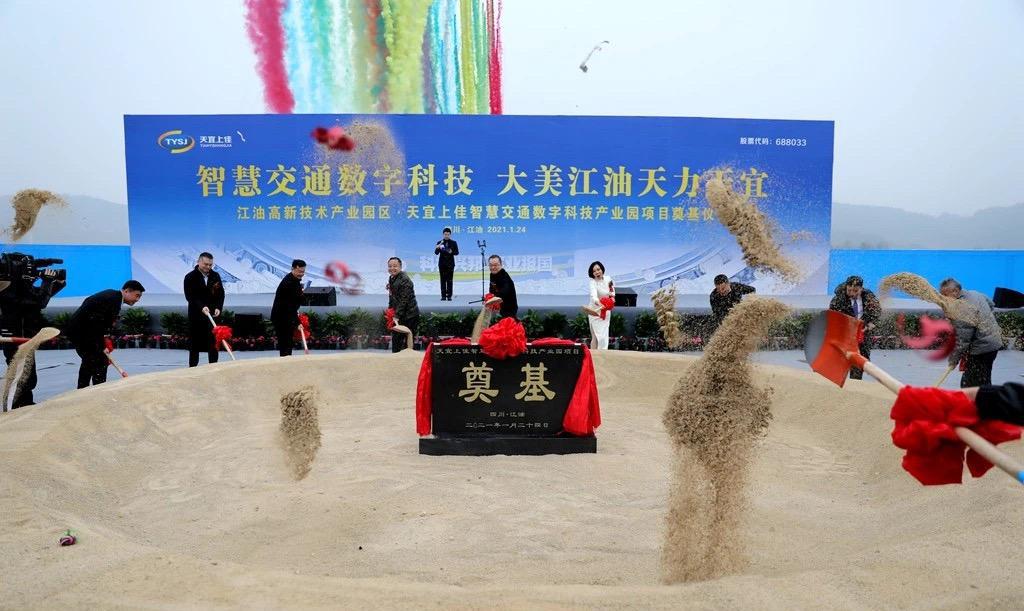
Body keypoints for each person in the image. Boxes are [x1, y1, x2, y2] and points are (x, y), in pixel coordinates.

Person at [0, 256, 66, 407]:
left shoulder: (22, 290)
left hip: (25, 338)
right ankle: (12, 407)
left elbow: (42, 295)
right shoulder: (9, 290)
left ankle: (25, 403)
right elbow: (40, 301)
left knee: (28, 375)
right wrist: (47, 280)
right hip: (15, 338)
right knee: (19, 375)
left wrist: (59, 282)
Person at [65, 280, 145, 389]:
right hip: (82, 332)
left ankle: (83, 389)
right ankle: (99, 390)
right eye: (137, 295)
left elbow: (97, 318)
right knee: (100, 361)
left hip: (81, 331)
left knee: (90, 360)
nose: (137, 299)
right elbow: (97, 324)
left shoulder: (112, 296)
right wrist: (102, 345)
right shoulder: (113, 300)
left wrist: (102, 343)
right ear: (127, 291)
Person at [940, 277, 1001, 387]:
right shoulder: (975, 293)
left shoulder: (962, 309)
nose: (944, 299)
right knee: (984, 380)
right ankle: (987, 396)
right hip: (994, 342)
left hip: (982, 348)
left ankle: (979, 397)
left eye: (945, 295)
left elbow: (962, 341)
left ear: (955, 291)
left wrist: (953, 361)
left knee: (969, 385)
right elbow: (991, 304)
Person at [829, 275, 881, 380]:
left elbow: (876, 314)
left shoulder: (869, 298)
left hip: (862, 336)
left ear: (861, 289)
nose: (852, 293)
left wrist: (868, 326)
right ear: (846, 287)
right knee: (840, 362)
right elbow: (832, 318)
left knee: (858, 363)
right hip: (844, 336)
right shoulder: (838, 299)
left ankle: (855, 384)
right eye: (849, 290)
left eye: (856, 291)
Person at [183, 252, 225, 367]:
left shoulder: (215, 276)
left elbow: (220, 294)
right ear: (198, 262)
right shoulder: (190, 277)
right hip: (196, 316)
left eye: (210, 265)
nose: (208, 267)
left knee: (213, 344)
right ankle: (192, 368)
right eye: (205, 264)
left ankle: (213, 367)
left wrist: (218, 307)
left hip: (212, 315)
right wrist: (201, 307)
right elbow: (190, 296)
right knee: (195, 345)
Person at [271, 259, 305, 357]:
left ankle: (287, 360)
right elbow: (289, 306)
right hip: (281, 316)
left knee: (288, 343)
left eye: (303, 272)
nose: (301, 274)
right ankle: (285, 361)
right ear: (293, 269)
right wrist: (297, 322)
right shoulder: (288, 283)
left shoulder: (294, 280)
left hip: (287, 315)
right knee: (285, 344)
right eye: (299, 271)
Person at [387, 257, 419, 353]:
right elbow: (392, 296)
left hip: (409, 315)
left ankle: (408, 360)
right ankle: (395, 359)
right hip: (399, 313)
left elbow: (404, 300)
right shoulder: (392, 278)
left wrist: (397, 315)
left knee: (408, 342)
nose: (392, 268)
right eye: (390, 266)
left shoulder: (405, 280)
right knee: (396, 340)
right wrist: (390, 311)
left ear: (400, 267)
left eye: (395, 266)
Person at [585, 261, 615, 350]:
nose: (597, 272)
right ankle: (593, 356)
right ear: (592, 273)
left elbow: (612, 291)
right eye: (594, 271)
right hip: (595, 311)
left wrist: (612, 300)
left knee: (603, 337)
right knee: (595, 336)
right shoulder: (592, 282)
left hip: (605, 312)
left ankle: (603, 354)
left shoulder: (608, 279)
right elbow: (594, 296)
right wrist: (600, 304)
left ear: (602, 270)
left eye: (598, 269)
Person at [488, 255, 518, 319]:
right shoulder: (492, 275)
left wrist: (492, 300)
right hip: (501, 308)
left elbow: (504, 291)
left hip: (509, 309)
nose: (493, 267)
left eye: (495, 265)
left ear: (501, 265)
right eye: (491, 265)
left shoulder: (504, 276)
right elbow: (491, 289)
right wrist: (489, 297)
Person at [434, 227, 459, 301]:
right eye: (445, 234)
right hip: (442, 264)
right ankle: (443, 296)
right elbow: (436, 253)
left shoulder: (453, 243)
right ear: (443, 234)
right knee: (442, 280)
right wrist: (437, 247)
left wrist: (452, 252)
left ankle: (449, 296)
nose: (446, 236)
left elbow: (457, 252)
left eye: (448, 234)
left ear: (450, 235)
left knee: (450, 280)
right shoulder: (440, 242)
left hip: (450, 264)